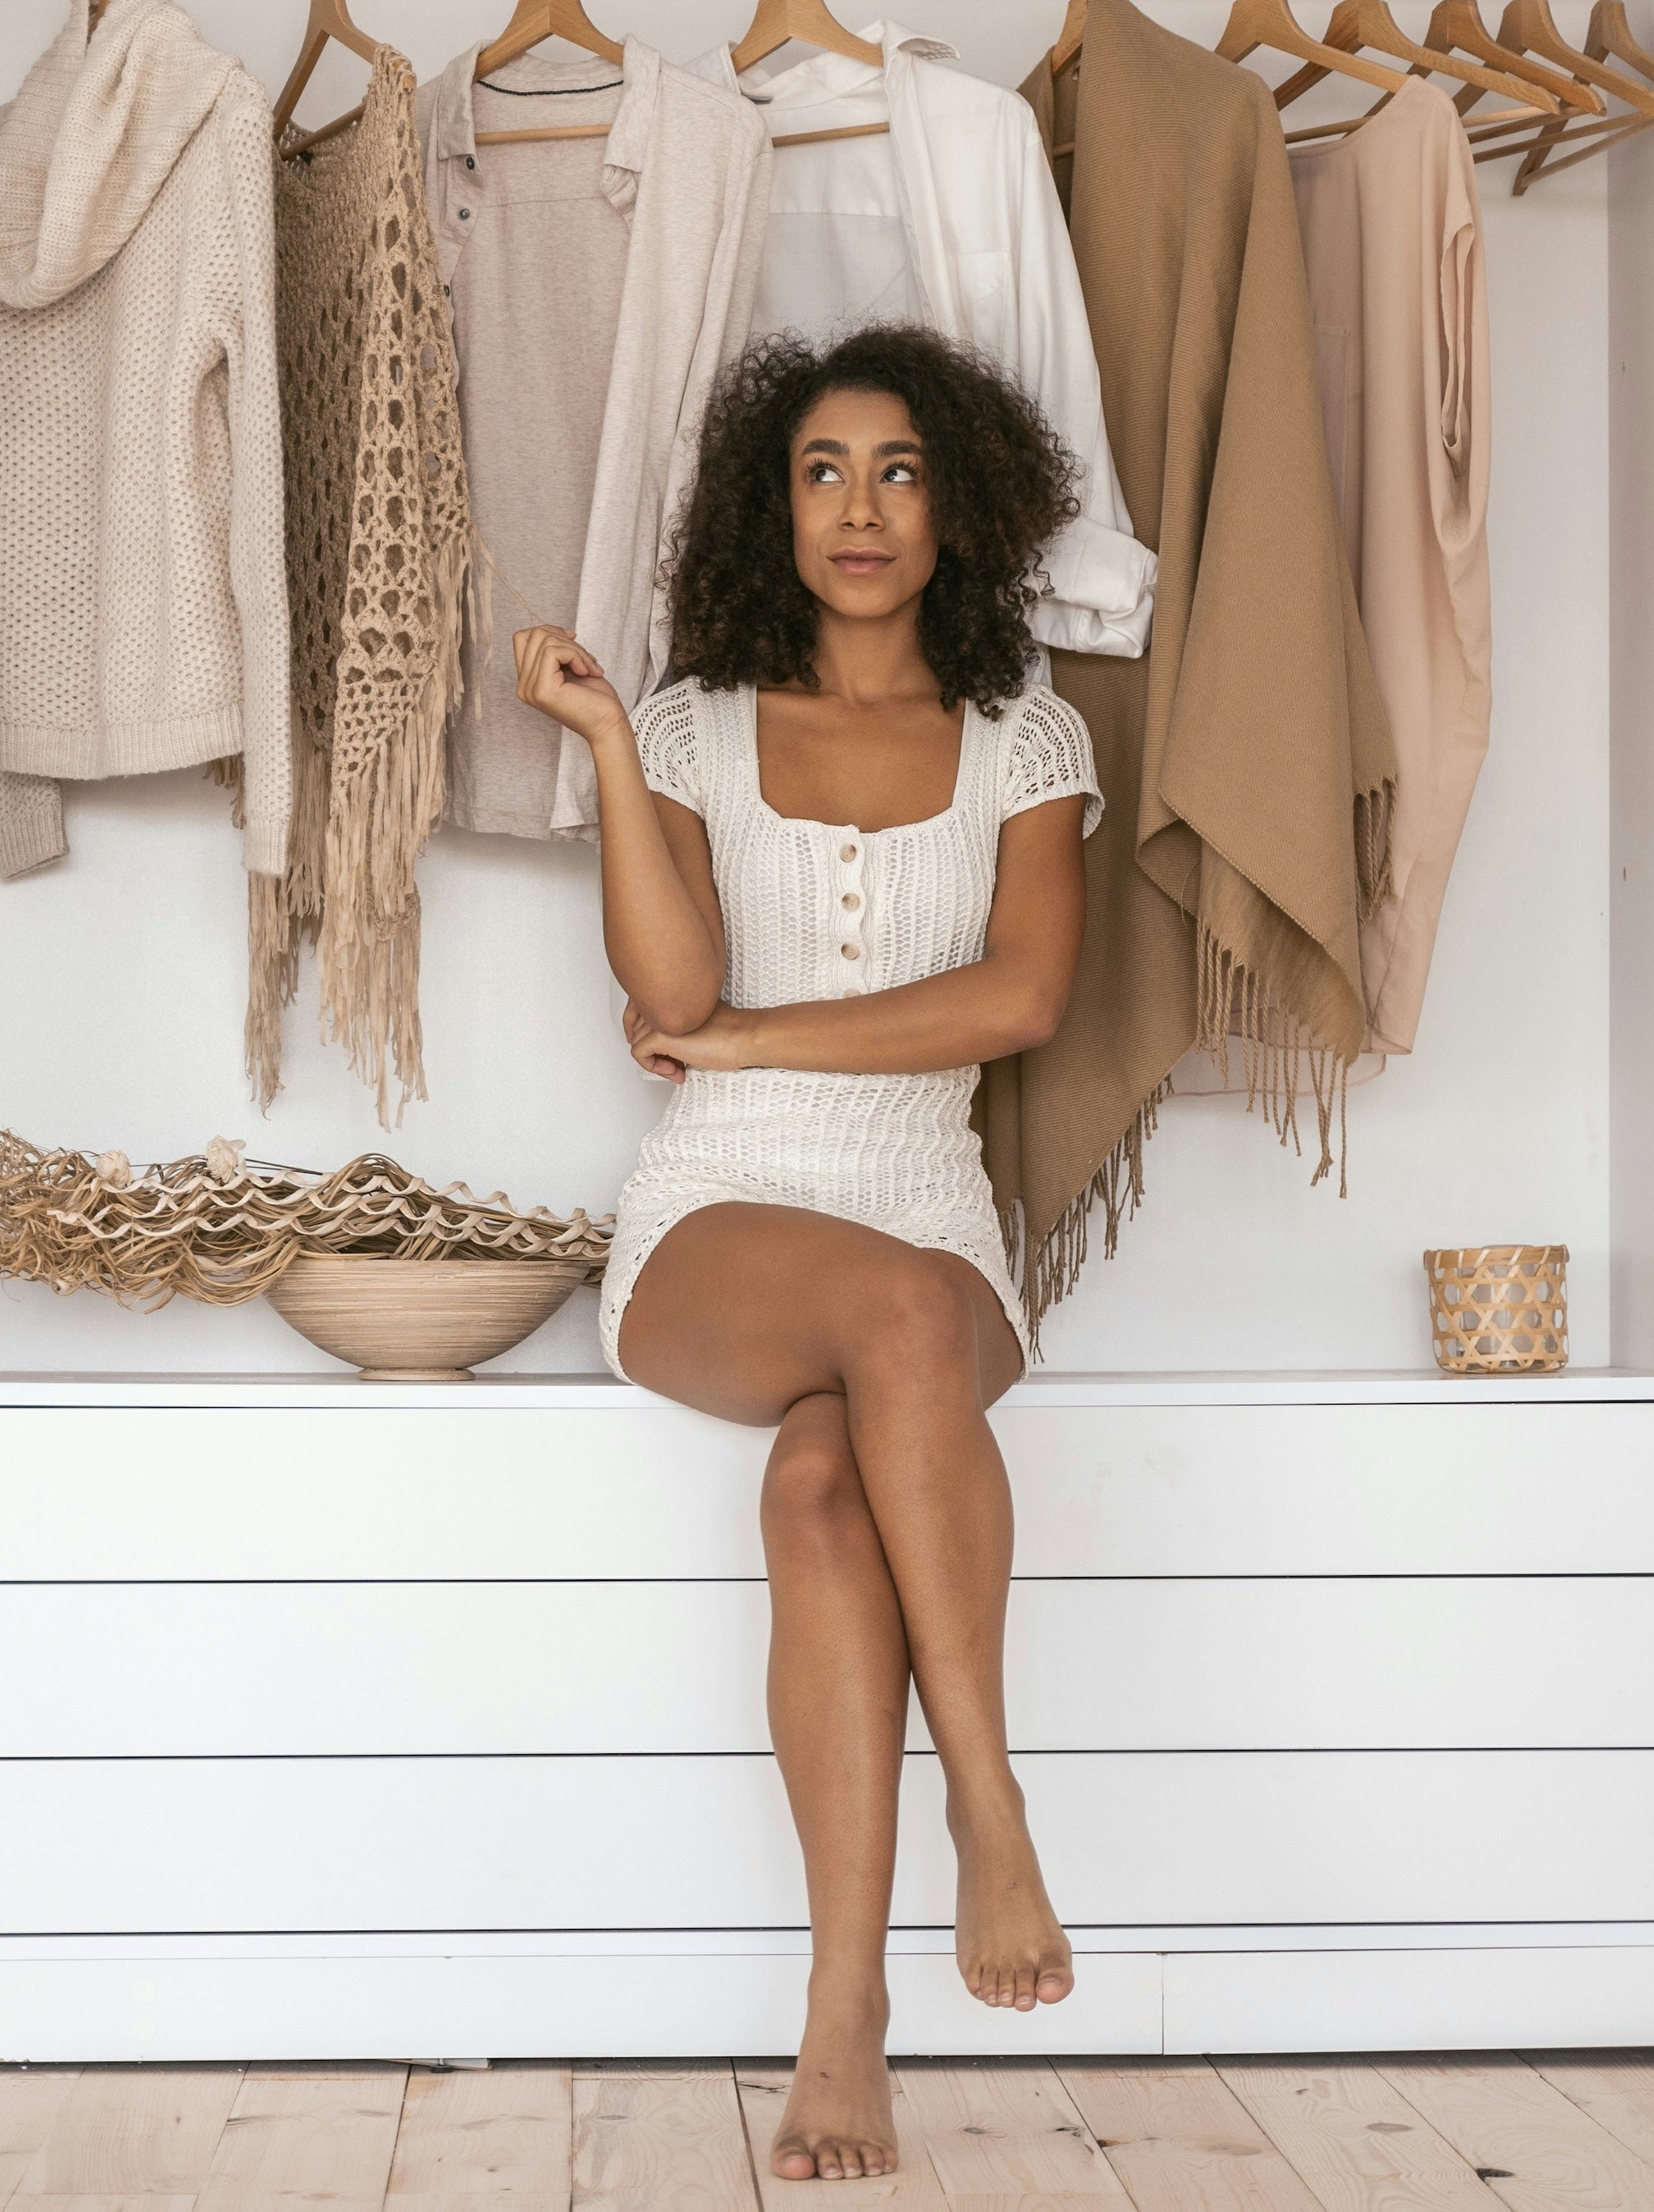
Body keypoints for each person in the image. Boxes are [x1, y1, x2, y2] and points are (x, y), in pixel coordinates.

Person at [512, 323, 1100, 2183]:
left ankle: (841, 2009)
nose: (861, 507)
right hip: (723, 1212)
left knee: (828, 1482)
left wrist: (760, 1034)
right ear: (775, 506)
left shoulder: (1027, 737)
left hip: (923, 1191)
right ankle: (989, 1809)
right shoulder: (687, 721)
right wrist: (609, 744)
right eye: (824, 470)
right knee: (895, 1310)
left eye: (902, 471)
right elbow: (672, 995)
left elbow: (1020, 997)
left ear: (960, 508)